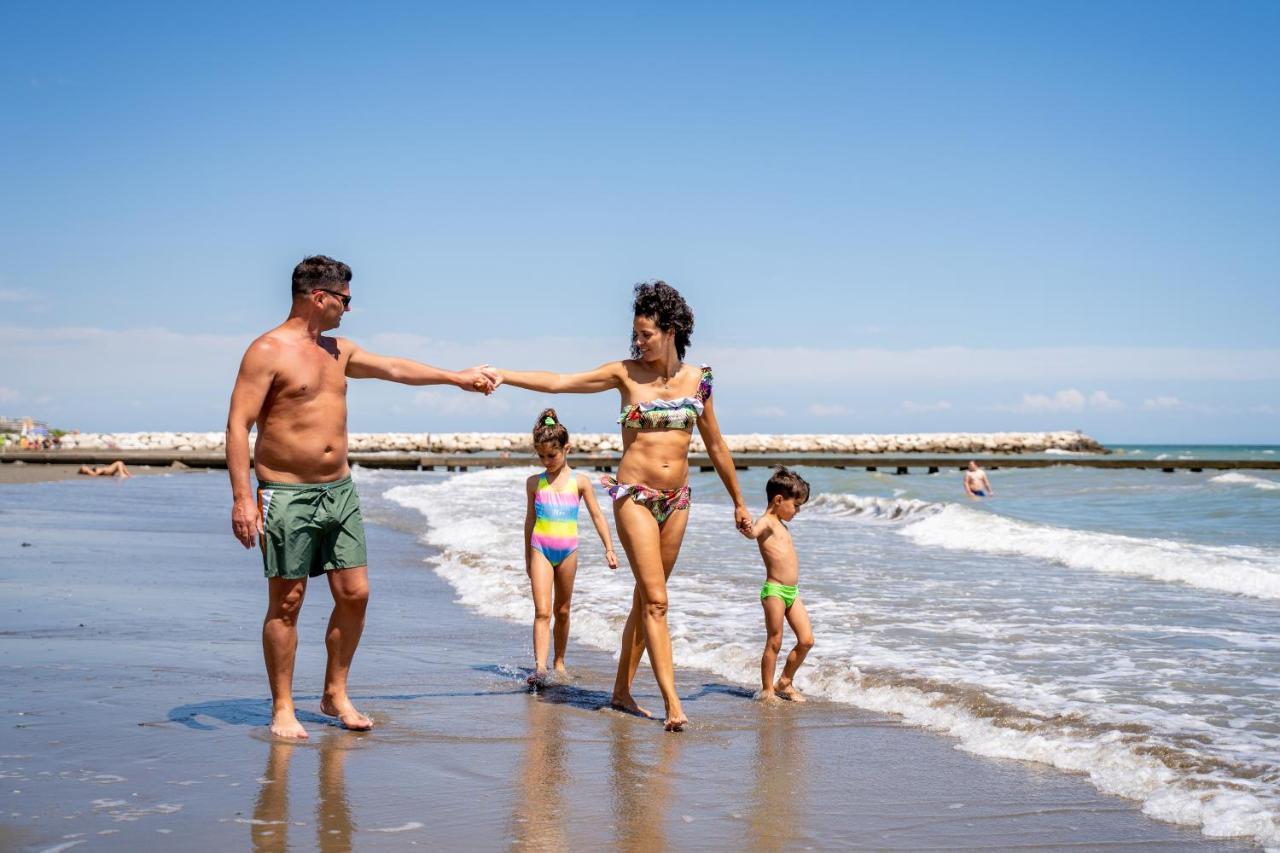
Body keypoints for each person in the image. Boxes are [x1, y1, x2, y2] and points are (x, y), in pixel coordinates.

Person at [226, 255, 496, 740]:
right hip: (286, 493)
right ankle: (284, 707)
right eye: (345, 299)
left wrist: (456, 377)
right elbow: (237, 425)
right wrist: (243, 499)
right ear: (319, 296)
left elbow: (394, 367)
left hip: (340, 491)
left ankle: (334, 693)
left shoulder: (339, 350)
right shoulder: (266, 350)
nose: (349, 309)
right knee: (287, 602)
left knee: (356, 594)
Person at [493, 280, 753, 731]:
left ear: (670, 330)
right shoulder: (625, 374)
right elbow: (560, 381)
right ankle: (673, 705)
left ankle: (621, 692)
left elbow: (715, 444)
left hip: (679, 501)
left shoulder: (699, 381)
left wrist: (738, 502)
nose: (638, 341)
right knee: (656, 600)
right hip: (634, 497)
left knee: (645, 602)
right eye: (636, 333)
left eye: (646, 333)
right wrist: (504, 374)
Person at [523, 408, 618, 686]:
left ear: (567, 449)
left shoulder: (581, 482)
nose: (546, 461)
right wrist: (527, 557)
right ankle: (540, 668)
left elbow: (597, 515)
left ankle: (559, 661)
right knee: (542, 611)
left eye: (551, 455)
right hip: (540, 548)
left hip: (568, 552)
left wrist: (609, 548)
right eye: (541, 456)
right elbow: (530, 521)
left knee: (562, 610)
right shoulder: (534, 483)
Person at [747, 467, 814, 702]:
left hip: (792, 592)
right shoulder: (765, 522)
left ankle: (784, 681)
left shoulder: (782, 525)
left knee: (807, 640)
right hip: (774, 590)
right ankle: (767, 690)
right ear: (778, 499)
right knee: (774, 640)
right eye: (795, 505)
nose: (797, 511)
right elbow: (753, 532)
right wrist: (746, 526)